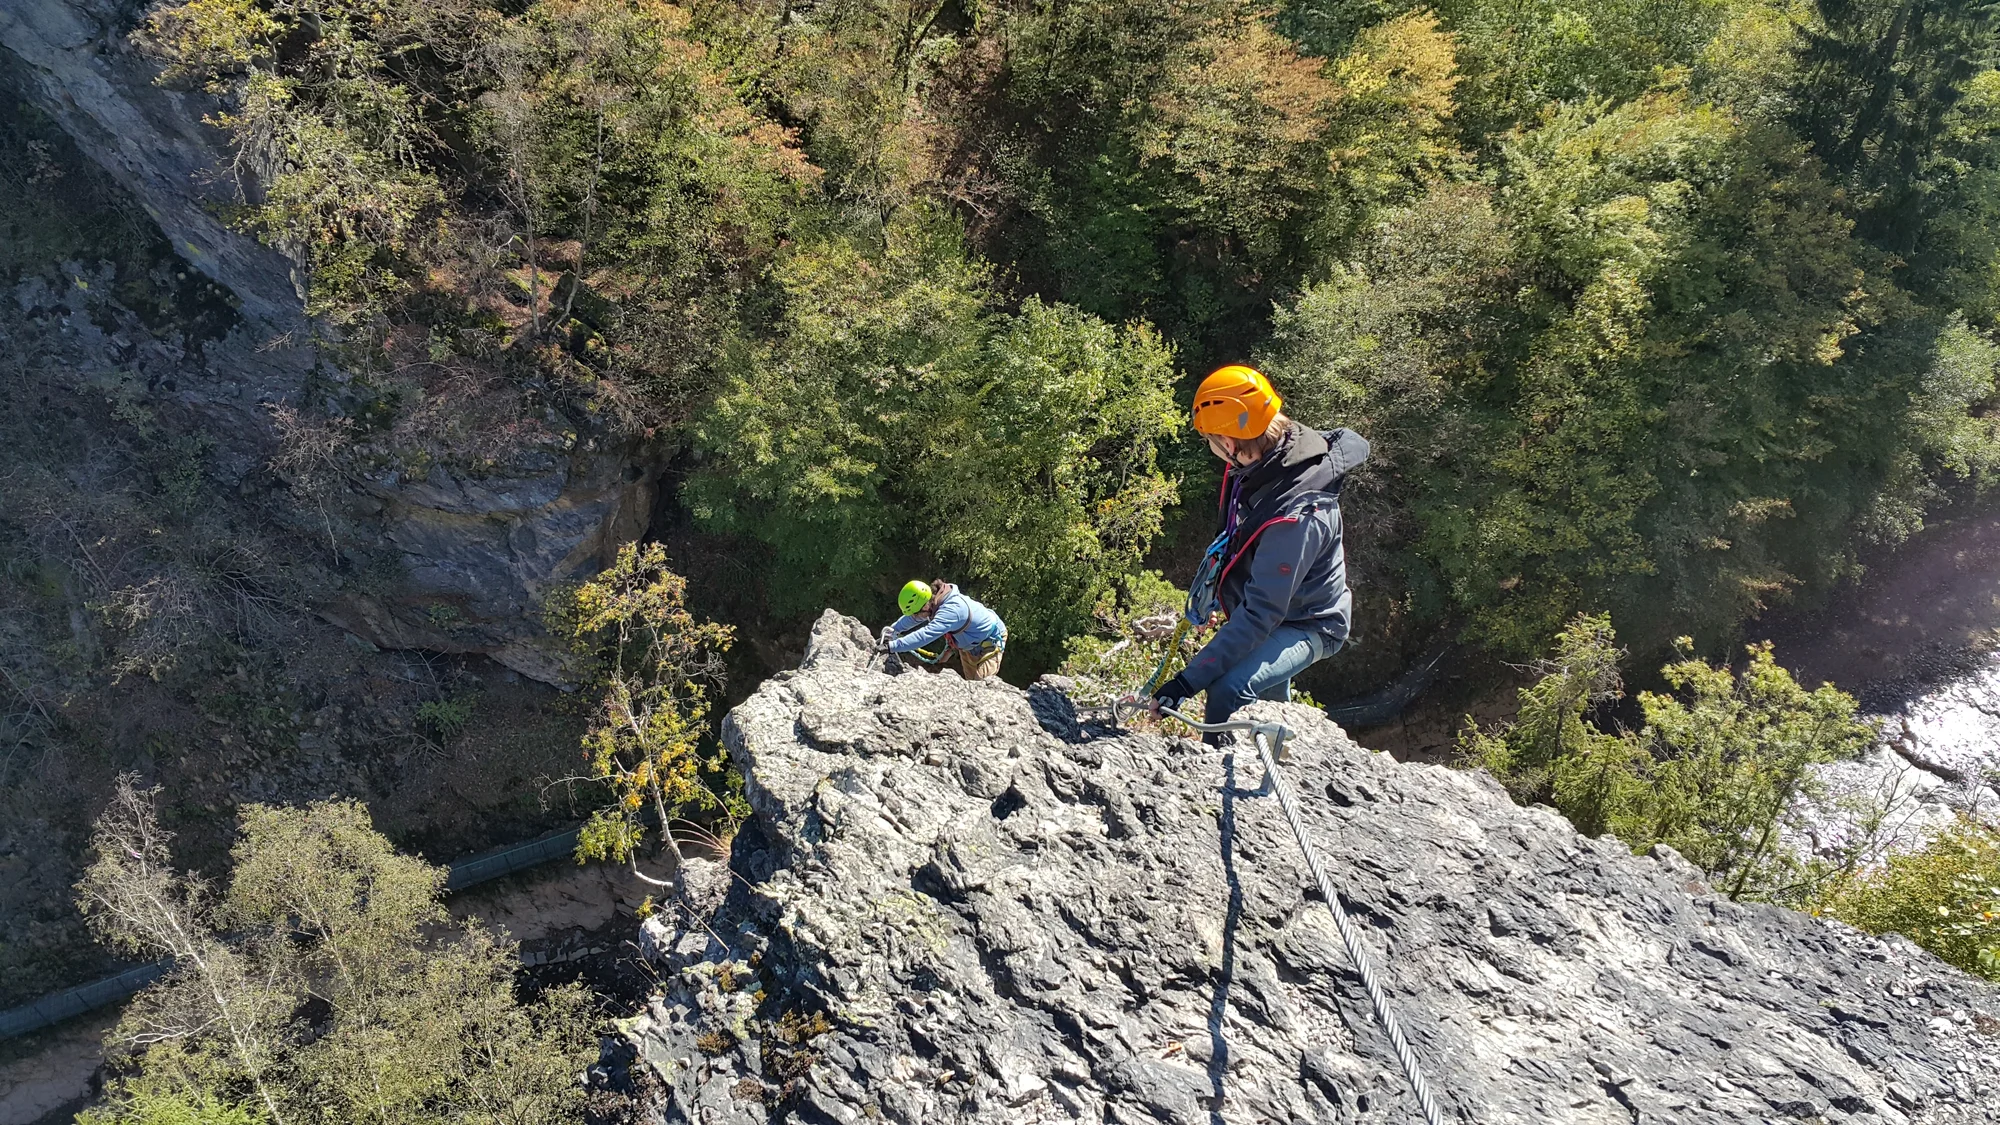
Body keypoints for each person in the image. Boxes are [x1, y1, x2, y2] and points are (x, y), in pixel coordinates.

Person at [1150, 364, 1368, 731]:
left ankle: (1216, 776)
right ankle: (1279, 748)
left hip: (1310, 622)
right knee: (1268, 705)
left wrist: (1185, 683)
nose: (1211, 449)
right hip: (1280, 609)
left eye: (1212, 440)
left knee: (1227, 691)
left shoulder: (1297, 515)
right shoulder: (1274, 459)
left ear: (1230, 443)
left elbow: (1261, 615)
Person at [882, 579, 1008, 681]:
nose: (915, 617)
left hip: (991, 640)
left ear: (925, 605)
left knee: (981, 686)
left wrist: (892, 646)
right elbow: (913, 619)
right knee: (971, 683)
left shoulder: (951, 611)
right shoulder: (933, 603)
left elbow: (924, 635)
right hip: (969, 643)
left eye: (915, 613)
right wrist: (892, 631)